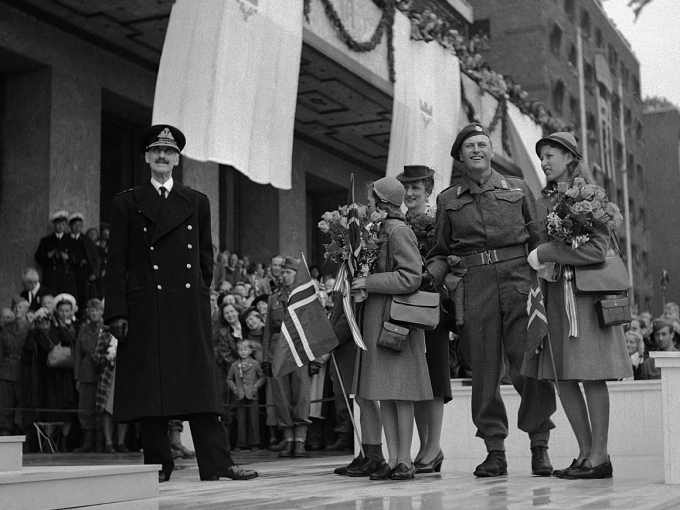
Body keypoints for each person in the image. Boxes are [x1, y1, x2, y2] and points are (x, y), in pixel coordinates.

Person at [104, 124, 256, 482]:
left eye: (169, 152)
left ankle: (218, 463)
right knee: (151, 391)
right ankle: (157, 465)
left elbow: (205, 258)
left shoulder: (197, 201)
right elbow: (116, 263)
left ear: (176, 159)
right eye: (156, 150)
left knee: (199, 387)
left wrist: (199, 295)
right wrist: (116, 312)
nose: (162, 156)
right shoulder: (125, 202)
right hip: (145, 306)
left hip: (187, 306)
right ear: (146, 157)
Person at [427, 123, 556, 477]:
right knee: (483, 372)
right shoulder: (447, 200)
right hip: (475, 288)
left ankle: (539, 447)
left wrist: (543, 283)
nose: (477, 150)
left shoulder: (518, 187)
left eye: (483, 144)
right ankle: (494, 451)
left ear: (490, 150)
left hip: (519, 283)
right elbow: (440, 251)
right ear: (460, 156)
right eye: (470, 146)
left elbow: (539, 237)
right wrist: (430, 277)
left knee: (528, 365)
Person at [523, 132, 632, 479]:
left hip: (586, 301)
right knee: (563, 377)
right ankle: (586, 453)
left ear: (570, 157)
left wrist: (545, 252)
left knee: (591, 377)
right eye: (541, 157)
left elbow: (597, 251)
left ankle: (600, 455)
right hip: (556, 298)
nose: (544, 162)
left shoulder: (591, 197)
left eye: (550, 155)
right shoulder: (548, 200)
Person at [351, 177, 431, 481]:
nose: (367, 204)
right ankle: (393, 458)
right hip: (378, 318)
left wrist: (369, 283)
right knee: (383, 391)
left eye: (371, 199)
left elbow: (412, 276)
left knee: (401, 394)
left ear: (382, 203)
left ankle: (404, 459)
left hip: (394, 320)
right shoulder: (378, 233)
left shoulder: (399, 232)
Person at [397, 165, 452, 474]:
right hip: (405, 308)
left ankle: (433, 446)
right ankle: (425, 446)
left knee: (434, 377)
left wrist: (426, 276)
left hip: (432, 305)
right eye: (407, 186)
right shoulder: (395, 223)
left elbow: (446, 257)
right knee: (416, 379)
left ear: (429, 189)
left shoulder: (436, 222)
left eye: (417, 186)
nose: (411, 192)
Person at [261, 257, 312, 458]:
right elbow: (267, 330)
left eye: (288, 272)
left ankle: (300, 440)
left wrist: (315, 359)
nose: (284, 276)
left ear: (296, 274)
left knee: (301, 395)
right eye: (282, 272)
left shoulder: (305, 296)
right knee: (281, 396)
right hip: (278, 351)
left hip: (300, 350)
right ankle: (289, 439)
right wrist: (266, 357)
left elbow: (313, 328)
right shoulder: (273, 299)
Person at [73, 298, 104, 452]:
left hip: (102, 373)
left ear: (101, 311)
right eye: (90, 310)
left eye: (96, 310)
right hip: (86, 373)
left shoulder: (106, 329)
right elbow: (78, 354)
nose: (93, 313)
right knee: (85, 408)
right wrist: (77, 377)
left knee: (100, 409)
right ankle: (88, 442)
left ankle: (99, 442)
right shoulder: (83, 330)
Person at [92, 328, 128, 454]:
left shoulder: (127, 334)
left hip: (124, 375)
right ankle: (108, 443)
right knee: (107, 409)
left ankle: (121, 442)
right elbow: (96, 358)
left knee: (124, 409)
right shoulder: (105, 337)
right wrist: (107, 357)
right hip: (108, 377)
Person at [227, 340, 265, 451]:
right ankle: (241, 443)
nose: (243, 352)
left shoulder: (255, 364)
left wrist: (256, 386)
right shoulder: (234, 365)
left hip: (252, 396)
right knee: (241, 422)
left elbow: (262, 377)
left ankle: (255, 443)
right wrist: (234, 388)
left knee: (254, 421)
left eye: (245, 350)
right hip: (240, 396)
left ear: (250, 351)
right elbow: (229, 379)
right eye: (240, 350)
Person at [0, 299, 30, 435]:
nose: (18, 310)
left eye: (21, 307)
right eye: (16, 307)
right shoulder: (6, 329)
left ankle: (22, 433)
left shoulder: (31, 328)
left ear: (27, 310)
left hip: (23, 370)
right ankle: (5, 431)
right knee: (5, 405)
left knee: (23, 404)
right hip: (6, 370)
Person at [35, 210, 78, 298]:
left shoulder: (71, 241)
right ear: (54, 225)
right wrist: (47, 256)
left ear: (66, 225)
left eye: (63, 224)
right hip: (51, 278)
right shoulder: (46, 241)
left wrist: (68, 257)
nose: (60, 226)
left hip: (66, 279)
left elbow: (78, 258)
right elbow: (38, 257)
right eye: (58, 224)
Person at [68, 213, 100, 313]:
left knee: (84, 299)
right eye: (75, 225)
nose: (77, 228)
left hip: (84, 276)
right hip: (70, 274)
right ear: (70, 226)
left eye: (80, 225)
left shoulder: (86, 240)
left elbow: (95, 258)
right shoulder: (66, 239)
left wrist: (94, 273)